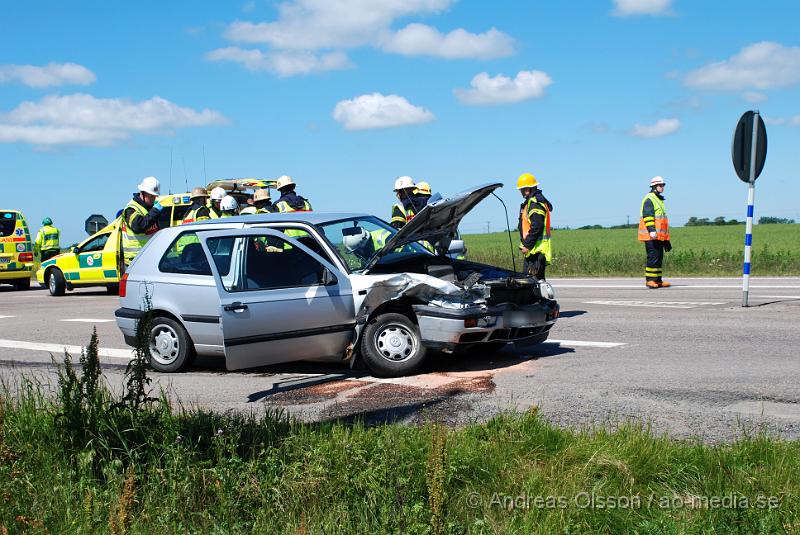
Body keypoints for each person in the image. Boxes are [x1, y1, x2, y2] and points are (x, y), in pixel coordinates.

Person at [121, 176, 163, 267]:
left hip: (149, 256)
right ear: (143, 193)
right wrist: (155, 211)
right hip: (135, 260)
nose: (154, 199)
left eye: (155, 196)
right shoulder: (131, 209)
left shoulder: (149, 209)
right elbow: (139, 226)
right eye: (151, 196)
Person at [517, 172, 553, 280]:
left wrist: (527, 245)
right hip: (534, 252)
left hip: (535, 253)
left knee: (530, 286)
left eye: (522, 189)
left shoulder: (535, 203)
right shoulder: (533, 202)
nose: (522, 192)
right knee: (537, 285)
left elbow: (537, 226)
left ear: (528, 189)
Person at [638, 176, 672, 288]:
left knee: (658, 258)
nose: (662, 187)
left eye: (663, 185)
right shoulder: (649, 198)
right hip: (651, 235)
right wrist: (651, 230)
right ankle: (650, 280)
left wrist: (666, 240)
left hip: (659, 236)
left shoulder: (659, 199)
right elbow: (648, 216)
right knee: (653, 257)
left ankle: (658, 280)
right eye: (660, 185)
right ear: (654, 186)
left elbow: (662, 222)